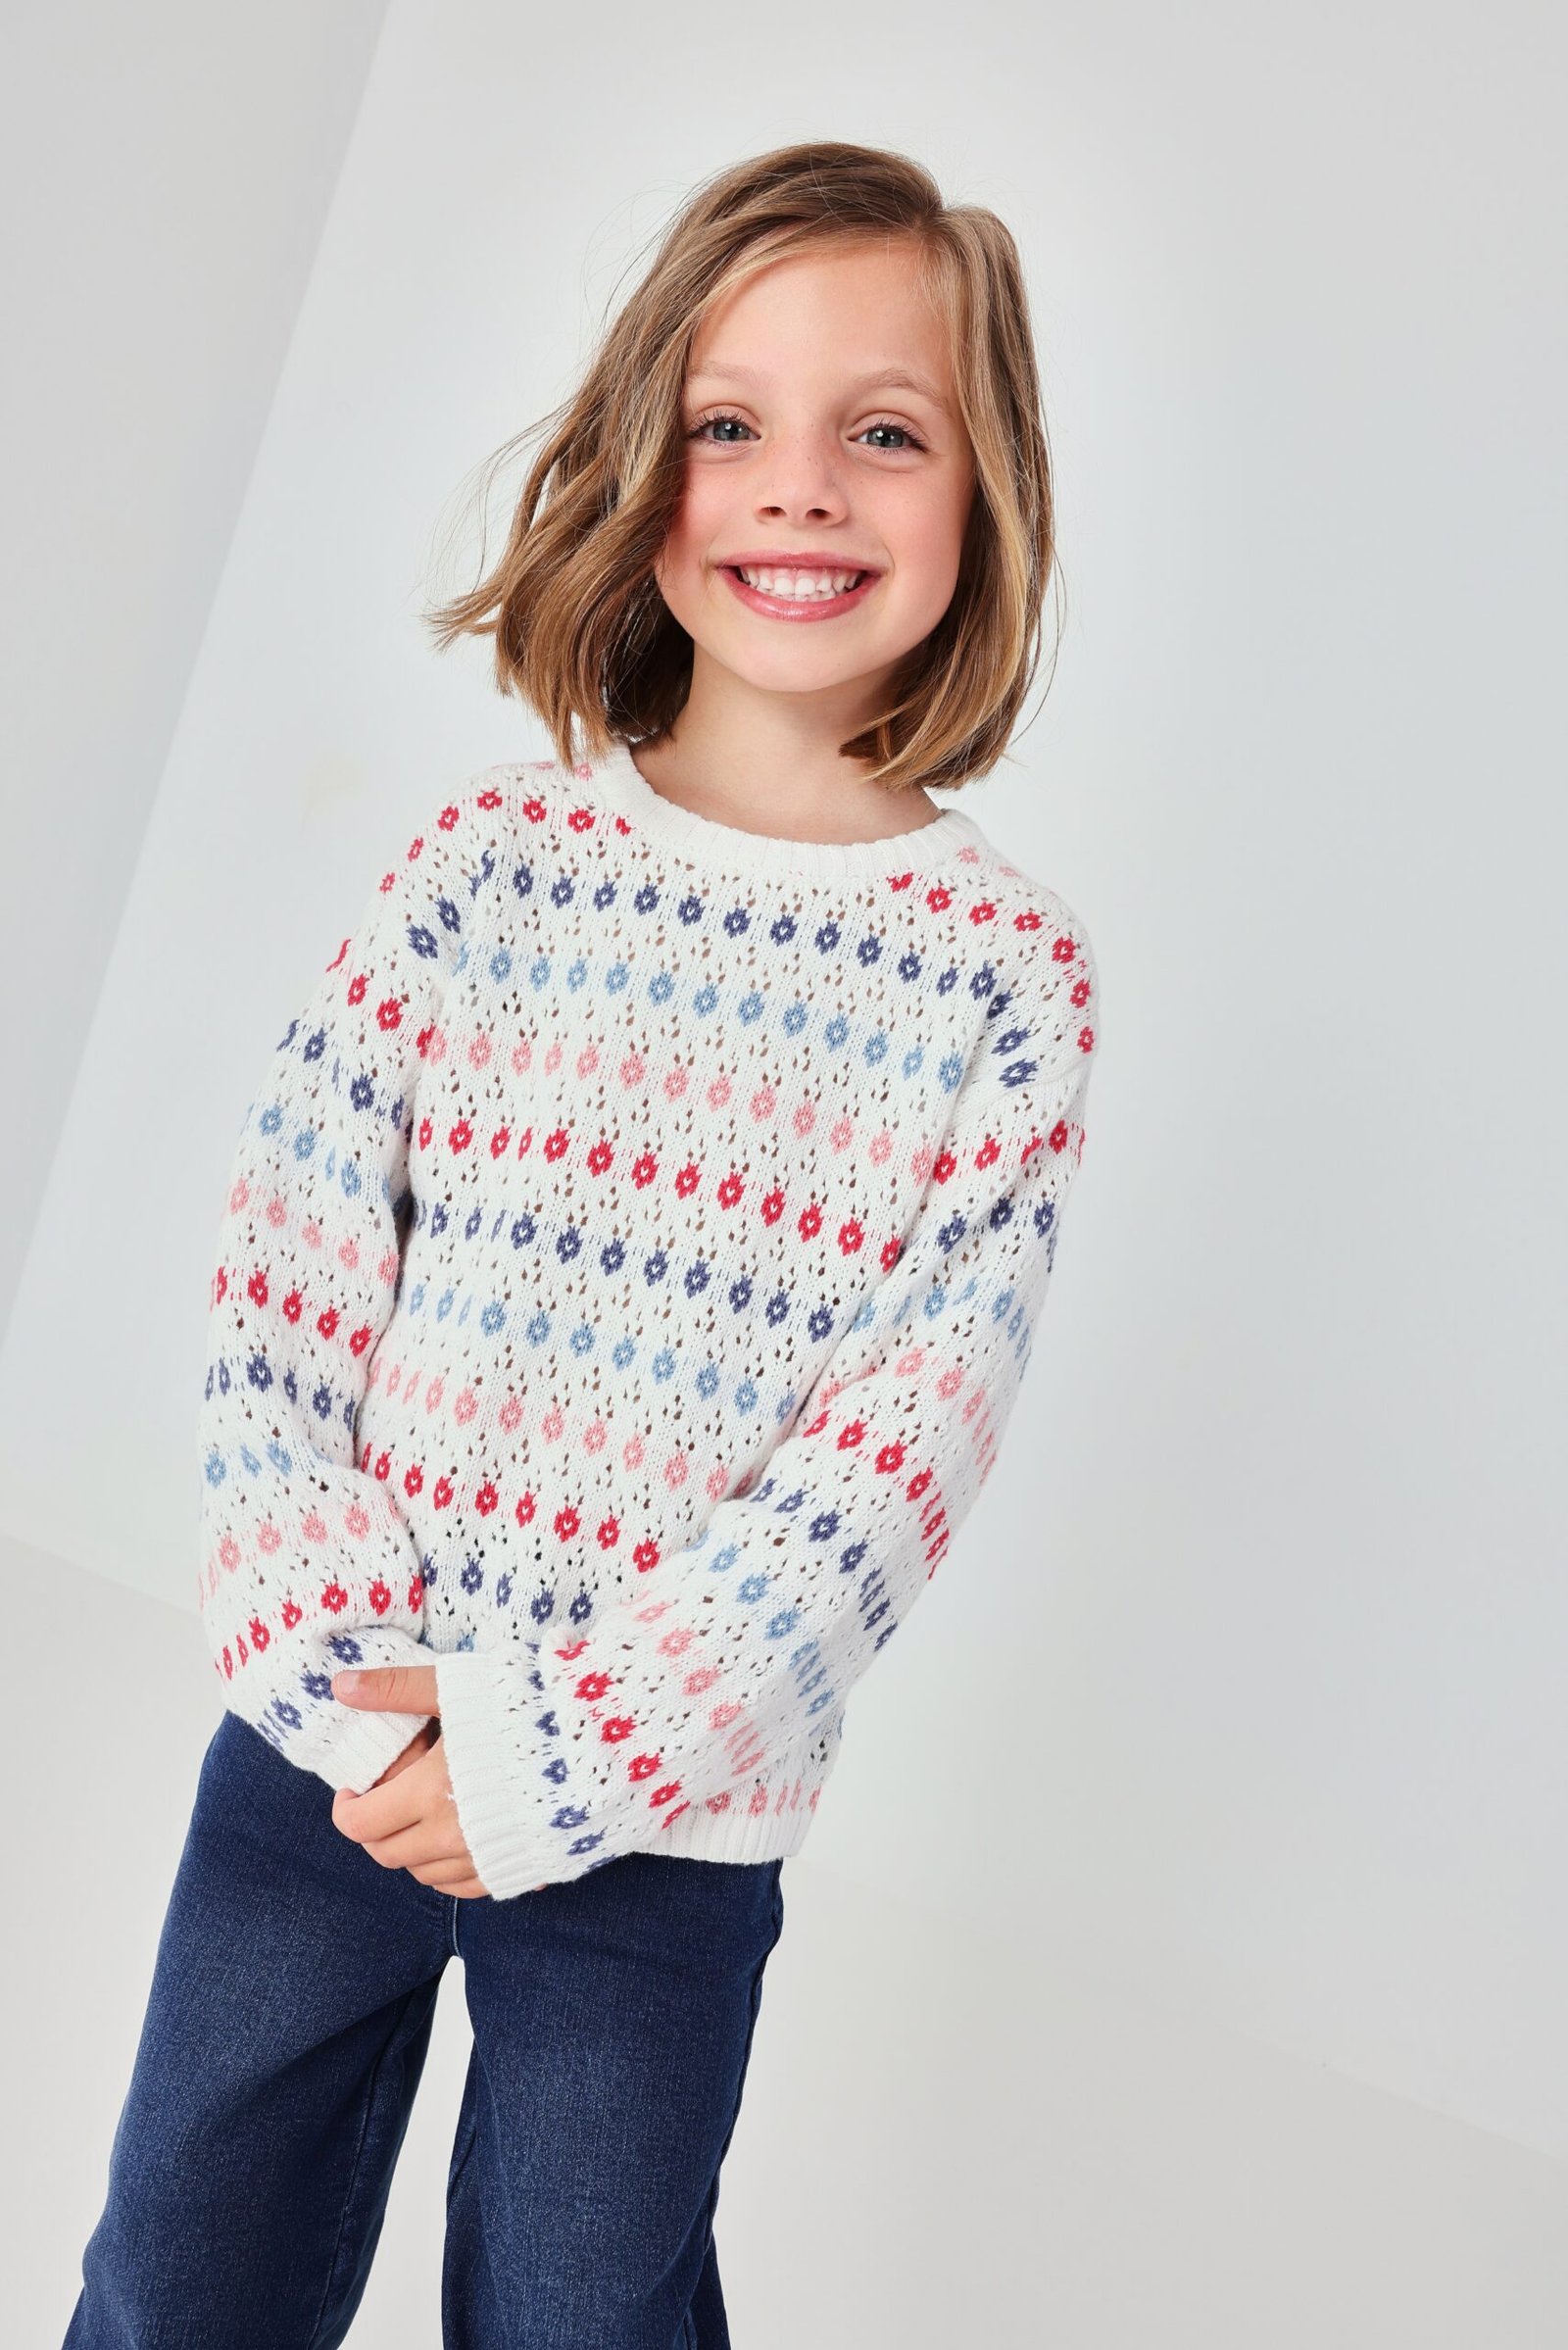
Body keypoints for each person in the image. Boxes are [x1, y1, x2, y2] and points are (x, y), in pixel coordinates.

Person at [65, 138, 1102, 2349]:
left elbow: (895, 1461)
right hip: (333, 1758)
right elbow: (282, 1280)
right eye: (731, 422)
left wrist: (573, 1747)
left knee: (579, 2311)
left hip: (663, 1821)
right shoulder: (483, 867)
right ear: (643, 463)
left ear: (985, 491)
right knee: (176, 2275)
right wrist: (345, 1680)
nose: (799, 485)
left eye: (884, 432)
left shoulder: (1002, 979)